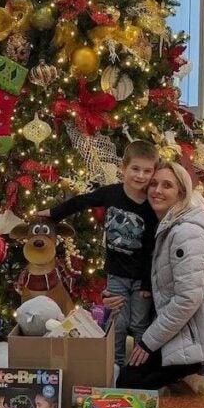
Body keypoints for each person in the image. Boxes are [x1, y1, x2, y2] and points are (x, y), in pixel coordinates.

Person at [37, 141, 159, 366]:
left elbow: (153, 248)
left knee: (140, 323)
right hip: (116, 275)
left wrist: (146, 284)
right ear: (123, 168)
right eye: (135, 169)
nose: (141, 176)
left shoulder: (152, 206)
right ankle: (116, 365)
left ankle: (140, 368)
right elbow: (81, 202)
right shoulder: (111, 193)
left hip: (142, 278)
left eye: (147, 171)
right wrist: (53, 213)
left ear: (153, 172)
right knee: (118, 323)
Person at [115, 160, 204, 391]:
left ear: (181, 193)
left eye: (167, 185)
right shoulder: (164, 226)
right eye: (153, 184)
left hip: (193, 337)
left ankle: (200, 367)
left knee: (129, 383)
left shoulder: (185, 233)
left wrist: (148, 343)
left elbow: (188, 299)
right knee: (130, 374)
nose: (157, 190)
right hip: (181, 330)